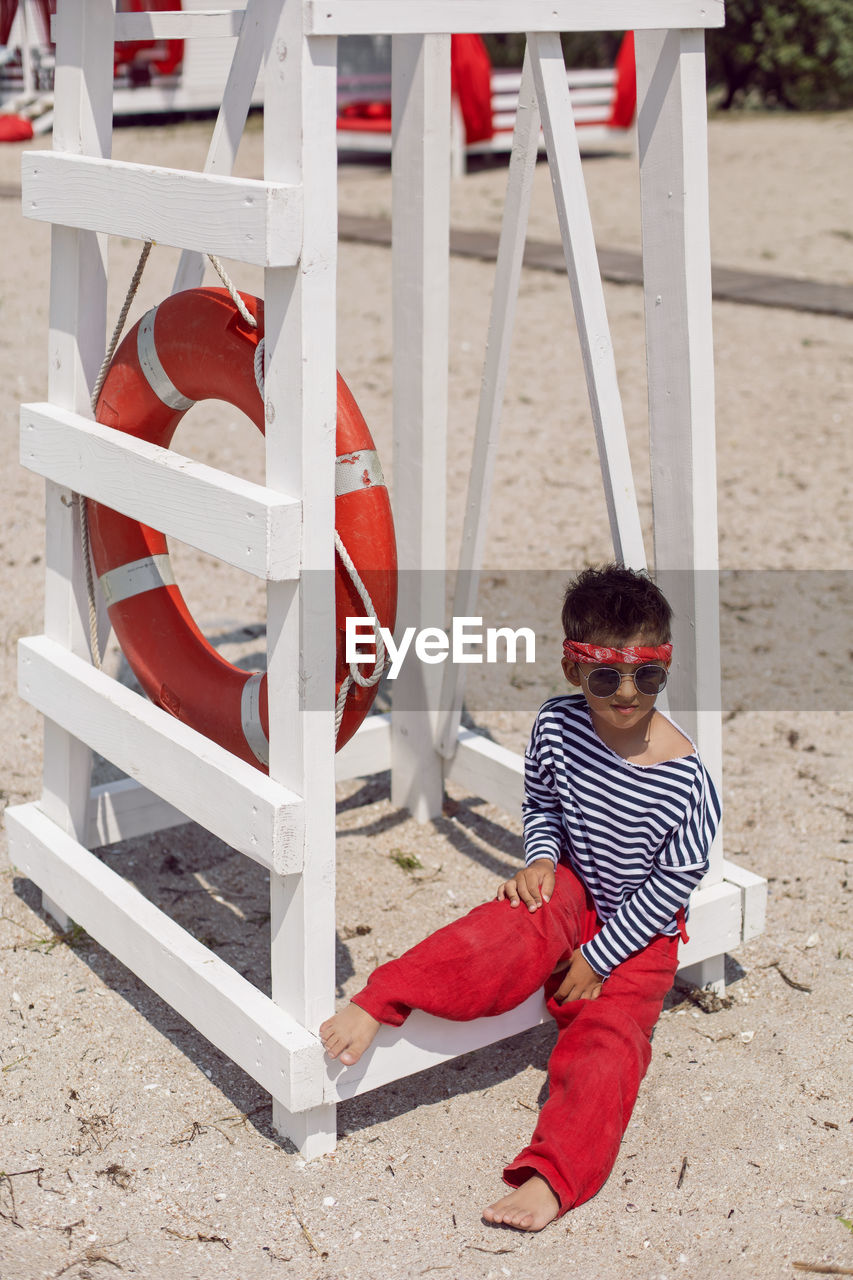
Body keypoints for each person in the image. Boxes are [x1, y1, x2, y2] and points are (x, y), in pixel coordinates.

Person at [321, 565, 721, 1232]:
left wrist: (598, 957)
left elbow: (670, 886)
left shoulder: (686, 779)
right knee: (500, 932)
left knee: (607, 1043)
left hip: (640, 932)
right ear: (572, 670)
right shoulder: (558, 726)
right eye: (604, 677)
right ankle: (381, 998)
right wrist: (538, 858)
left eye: (645, 675)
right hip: (570, 884)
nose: (626, 693)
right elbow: (543, 804)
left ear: (664, 666)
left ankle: (552, 1175)